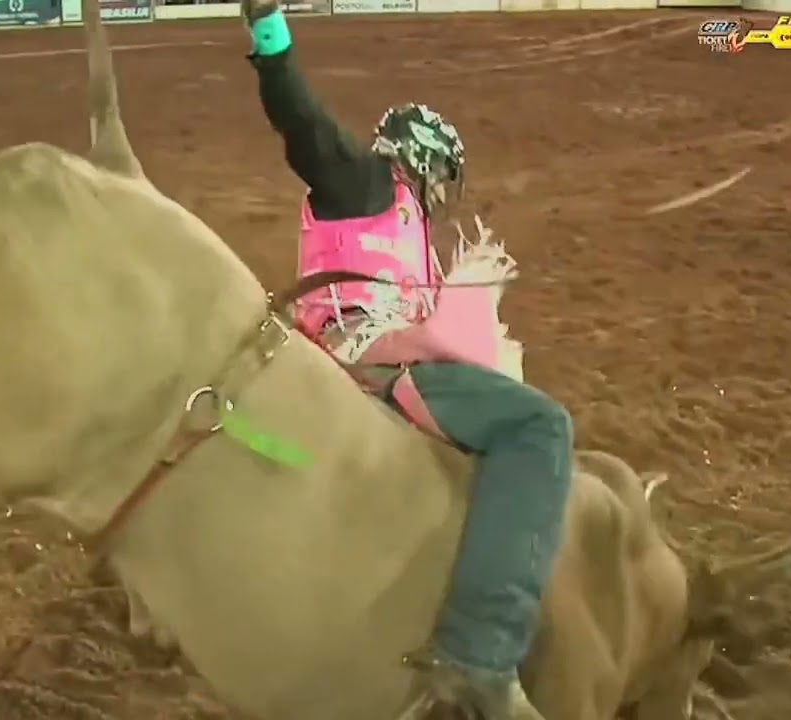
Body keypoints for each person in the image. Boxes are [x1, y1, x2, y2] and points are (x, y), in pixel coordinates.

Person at [240, 2, 574, 719]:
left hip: (355, 357)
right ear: (421, 160)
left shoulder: (398, 221)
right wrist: (272, 39)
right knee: (539, 429)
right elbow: (306, 128)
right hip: (364, 359)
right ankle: (481, 655)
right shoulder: (365, 187)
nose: (442, 195)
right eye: (442, 175)